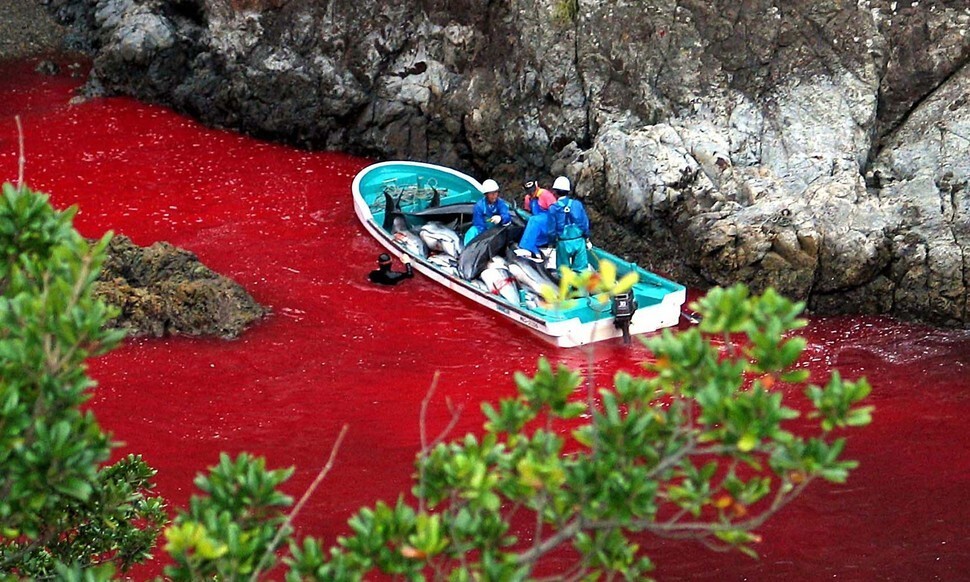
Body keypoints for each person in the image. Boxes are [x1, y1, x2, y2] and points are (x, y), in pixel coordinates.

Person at [549, 176, 591, 272]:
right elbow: (584, 223)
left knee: (564, 271)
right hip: (579, 241)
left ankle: (566, 286)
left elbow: (551, 230)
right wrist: (587, 239)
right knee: (581, 270)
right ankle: (580, 286)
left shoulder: (553, 208)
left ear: (555, 192)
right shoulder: (577, 204)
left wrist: (551, 244)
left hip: (563, 243)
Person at [517, 180, 557, 259]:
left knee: (534, 220)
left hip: (549, 222)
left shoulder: (545, 195)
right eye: (529, 191)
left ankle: (525, 248)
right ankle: (536, 253)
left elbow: (556, 212)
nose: (532, 193)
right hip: (538, 226)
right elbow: (528, 212)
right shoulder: (528, 199)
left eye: (533, 190)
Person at [463, 178, 511, 244]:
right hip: (483, 231)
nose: (494, 196)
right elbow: (479, 224)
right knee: (472, 231)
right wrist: (486, 237)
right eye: (491, 193)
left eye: (496, 192)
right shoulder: (479, 206)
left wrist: (501, 218)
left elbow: (507, 216)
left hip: (497, 230)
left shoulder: (501, 203)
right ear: (486, 194)